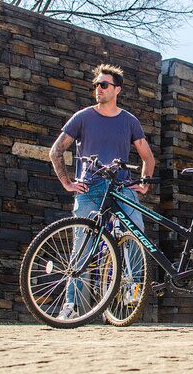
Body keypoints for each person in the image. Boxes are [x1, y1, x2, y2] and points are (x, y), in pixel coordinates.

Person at [49, 63, 155, 320]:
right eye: (97, 85)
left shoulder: (129, 121)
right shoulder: (83, 117)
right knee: (81, 248)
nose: (98, 89)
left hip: (121, 187)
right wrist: (67, 183)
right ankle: (71, 305)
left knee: (137, 239)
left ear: (116, 90)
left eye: (104, 85)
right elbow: (56, 151)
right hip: (90, 188)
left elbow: (147, 156)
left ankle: (132, 290)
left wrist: (145, 182)